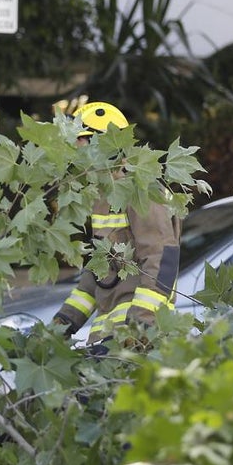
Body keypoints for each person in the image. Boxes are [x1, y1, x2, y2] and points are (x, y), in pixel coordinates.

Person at [53, 101, 181, 348]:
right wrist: (60, 325)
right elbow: (98, 276)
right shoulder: (103, 197)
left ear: (105, 144)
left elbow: (161, 259)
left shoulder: (140, 188)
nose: (74, 153)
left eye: (80, 143)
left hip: (134, 342)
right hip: (106, 341)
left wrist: (138, 329)